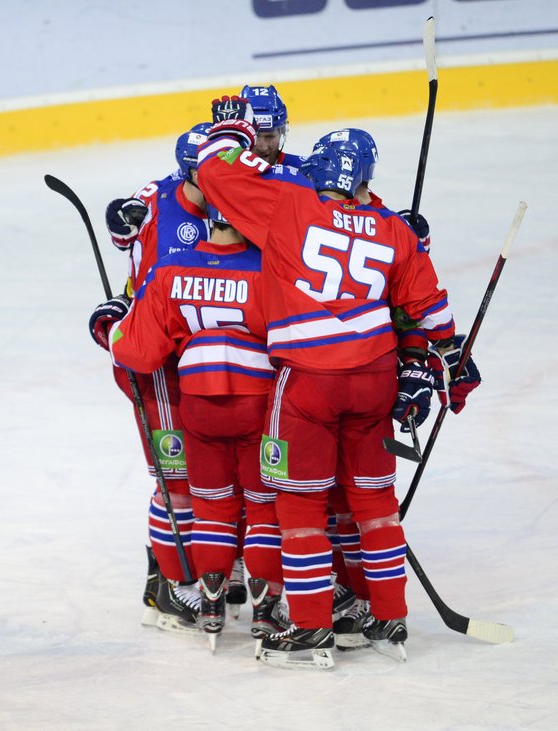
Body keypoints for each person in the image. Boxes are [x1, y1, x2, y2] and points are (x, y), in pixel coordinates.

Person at [194, 100, 481, 670]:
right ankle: (389, 618)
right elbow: (432, 310)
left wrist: (232, 134)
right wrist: (446, 357)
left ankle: (309, 629)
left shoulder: (289, 203)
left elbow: (214, 171)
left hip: (307, 382)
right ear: (367, 179)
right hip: (373, 381)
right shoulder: (395, 228)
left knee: (300, 505)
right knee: (376, 504)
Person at [105, 202, 289, 652]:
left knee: (209, 503)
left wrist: (111, 327)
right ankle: (265, 606)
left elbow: (139, 353)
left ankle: (210, 601)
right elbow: (295, 339)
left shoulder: (170, 269)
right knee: (263, 503)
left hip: (198, 405)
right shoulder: (269, 268)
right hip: (256, 403)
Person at [90, 123, 212, 633]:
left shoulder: (240, 199)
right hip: (159, 360)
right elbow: (123, 230)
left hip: (208, 358)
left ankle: (200, 567)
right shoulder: (157, 196)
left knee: (216, 472)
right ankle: (168, 583)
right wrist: (120, 219)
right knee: (175, 476)